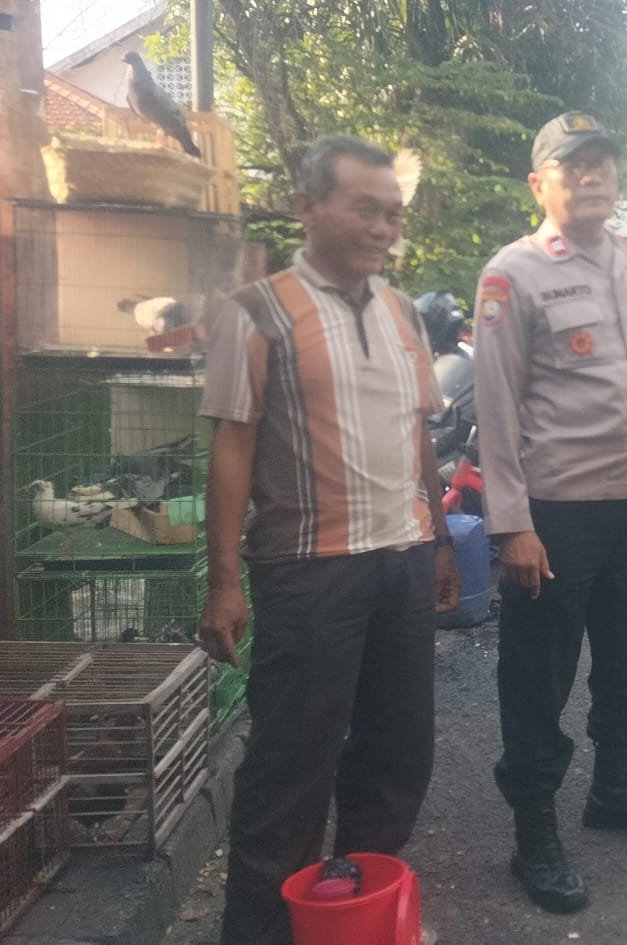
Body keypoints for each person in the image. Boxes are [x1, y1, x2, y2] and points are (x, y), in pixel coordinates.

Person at [197, 134, 461, 945]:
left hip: (402, 561)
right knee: (291, 767)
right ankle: (260, 932)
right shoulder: (256, 312)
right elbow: (232, 444)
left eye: (393, 214)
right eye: (364, 209)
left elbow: (418, 434)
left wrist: (439, 538)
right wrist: (223, 581)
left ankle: (354, 914)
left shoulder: (403, 310)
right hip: (308, 572)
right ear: (306, 208)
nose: (382, 228)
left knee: (396, 755)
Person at [473, 112, 627, 915]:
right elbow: (495, 408)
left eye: (601, 162)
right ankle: (533, 832)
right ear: (540, 184)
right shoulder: (513, 273)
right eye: (573, 167)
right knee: (538, 677)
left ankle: (613, 790)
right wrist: (511, 524)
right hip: (555, 514)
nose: (591, 175)